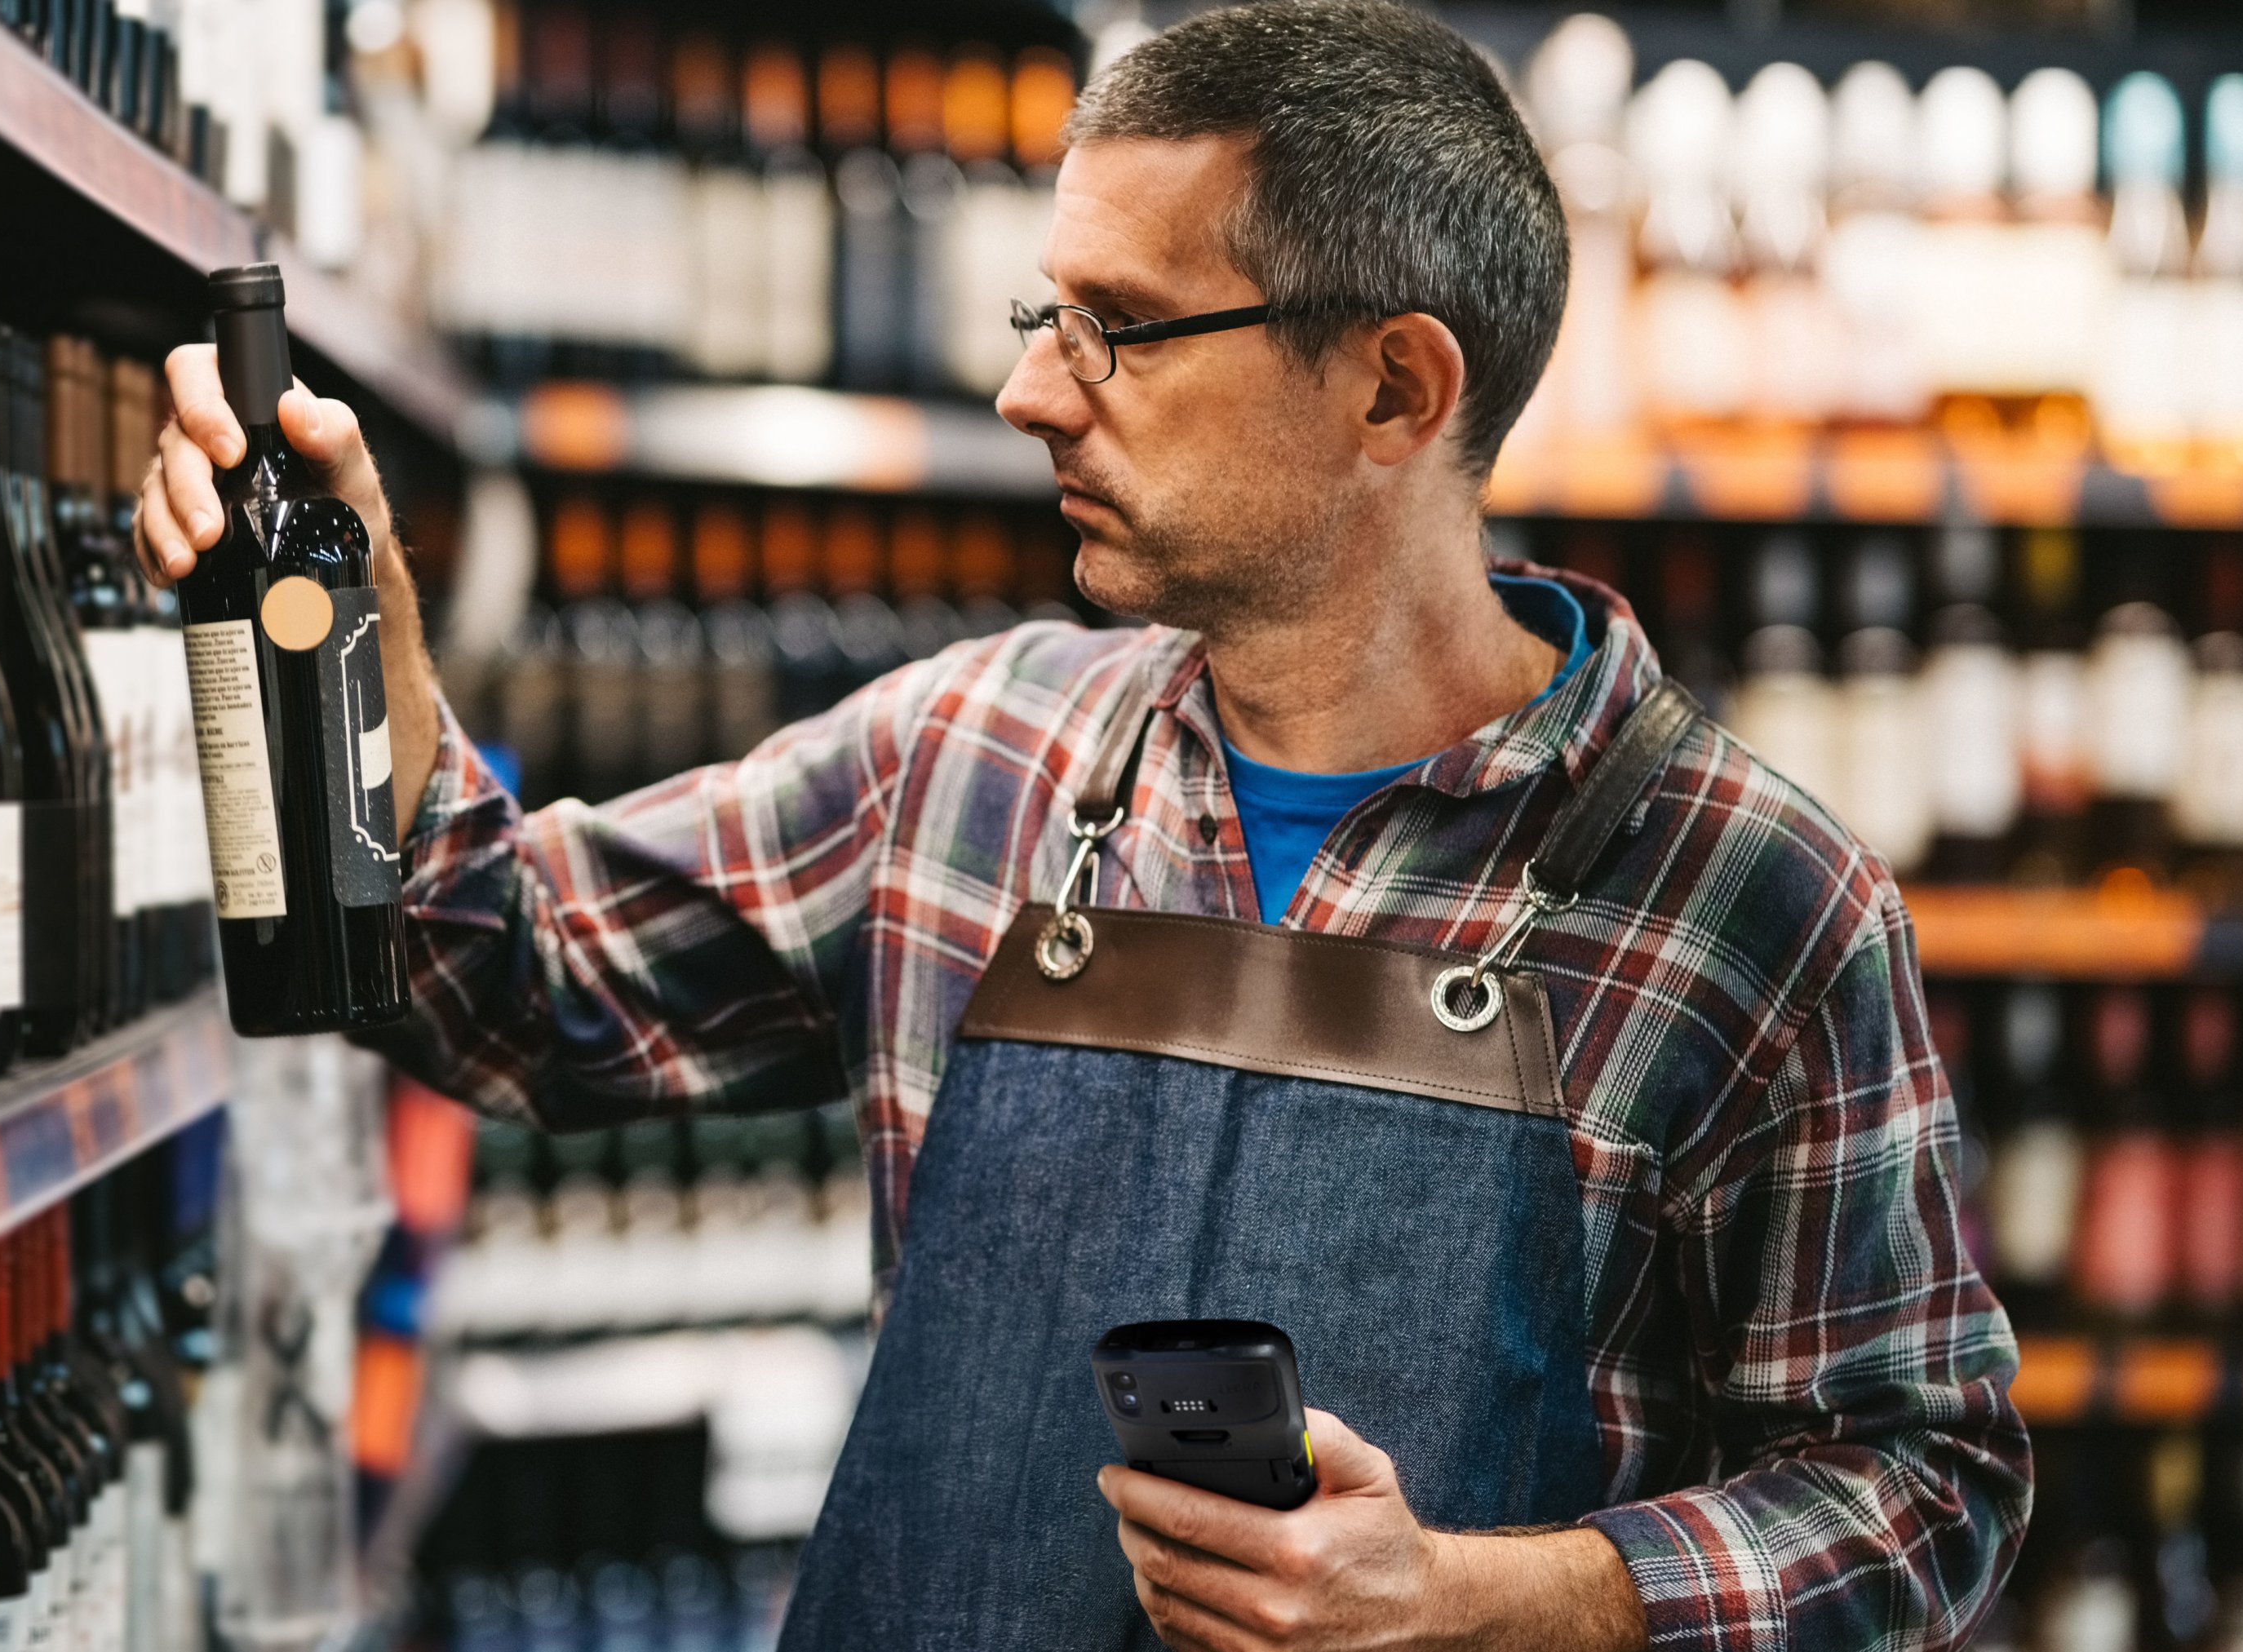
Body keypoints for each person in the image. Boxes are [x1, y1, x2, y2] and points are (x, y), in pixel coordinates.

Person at [131, 2, 2030, 1645]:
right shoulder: (973, 756)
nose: (1030, 388)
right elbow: (486, 972)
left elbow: (1929, 1478)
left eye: (1118, 327)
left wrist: (1482, 1602)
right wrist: (349, 623)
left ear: (1396, 386)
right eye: (1051, 309)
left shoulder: (1747, 899)